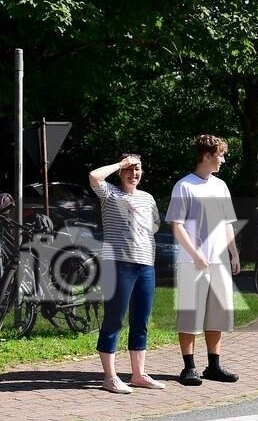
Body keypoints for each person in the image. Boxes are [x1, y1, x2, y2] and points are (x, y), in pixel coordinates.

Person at [166, 135, 241, 386]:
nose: (223, 159)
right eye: (220, 154)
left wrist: (233, 252)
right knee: (190, 314)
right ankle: (189, 367)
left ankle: (214, 366)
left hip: (218, 262)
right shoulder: (184, 186)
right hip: (191, 261)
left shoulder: (221, 186)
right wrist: (196, 254)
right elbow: (176, 226)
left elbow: (227, 223)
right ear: (207, 155)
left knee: (216, 315)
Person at [88, 153, 165, 394]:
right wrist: (120, 163)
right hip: (118, 264)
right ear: (121, 172)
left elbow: (154, 225)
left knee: (141, 321)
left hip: (145, 265)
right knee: (114, 320)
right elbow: (93, 176)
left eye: (138, 168)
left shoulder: (147, 198)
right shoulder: (110, 193)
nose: (134, 173)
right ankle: (110, 377)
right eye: (129, 169)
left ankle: (138, 374)